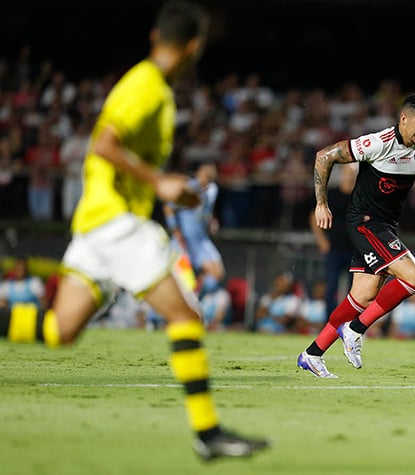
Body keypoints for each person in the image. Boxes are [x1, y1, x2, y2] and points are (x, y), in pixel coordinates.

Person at [0, 2, 268, 459]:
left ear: (154, 37)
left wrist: (171, 189)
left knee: (58, 330)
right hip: (116, 222)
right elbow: (103, 143)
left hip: (97, 222)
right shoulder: (148, 88)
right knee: (186, 316)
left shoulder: (148, 86)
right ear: (194, 47)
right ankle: (208, 435)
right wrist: (157, 182)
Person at [297, 93, 415, 378]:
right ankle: (356, 329)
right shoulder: (378, 143)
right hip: (366, 223)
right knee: (414, 277)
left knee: (361, 297)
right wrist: (322, 203)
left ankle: (312, 354)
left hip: (385, 226)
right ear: (403, 119)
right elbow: (324, 156)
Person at [163, 161, 224, 290]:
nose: (205, 178)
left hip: (200, 239)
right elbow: (168, 208)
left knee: (217, 274)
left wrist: (211, 220)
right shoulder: (189, 189)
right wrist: (176, 231)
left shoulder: (212, 190)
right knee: (179, 280)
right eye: (204, 174)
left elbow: (206, 211)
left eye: (209, 176)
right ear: (198, 173)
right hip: (183, 241)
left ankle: (196, 298)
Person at [309, 163, 357, 314]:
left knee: (354, 291)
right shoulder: (332, 194)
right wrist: (321, 240)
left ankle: (349, 323)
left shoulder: (360, 196)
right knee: (331, 287)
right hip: (335, 248)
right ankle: (329, 323)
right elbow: (314, 216)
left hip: (355, 250)